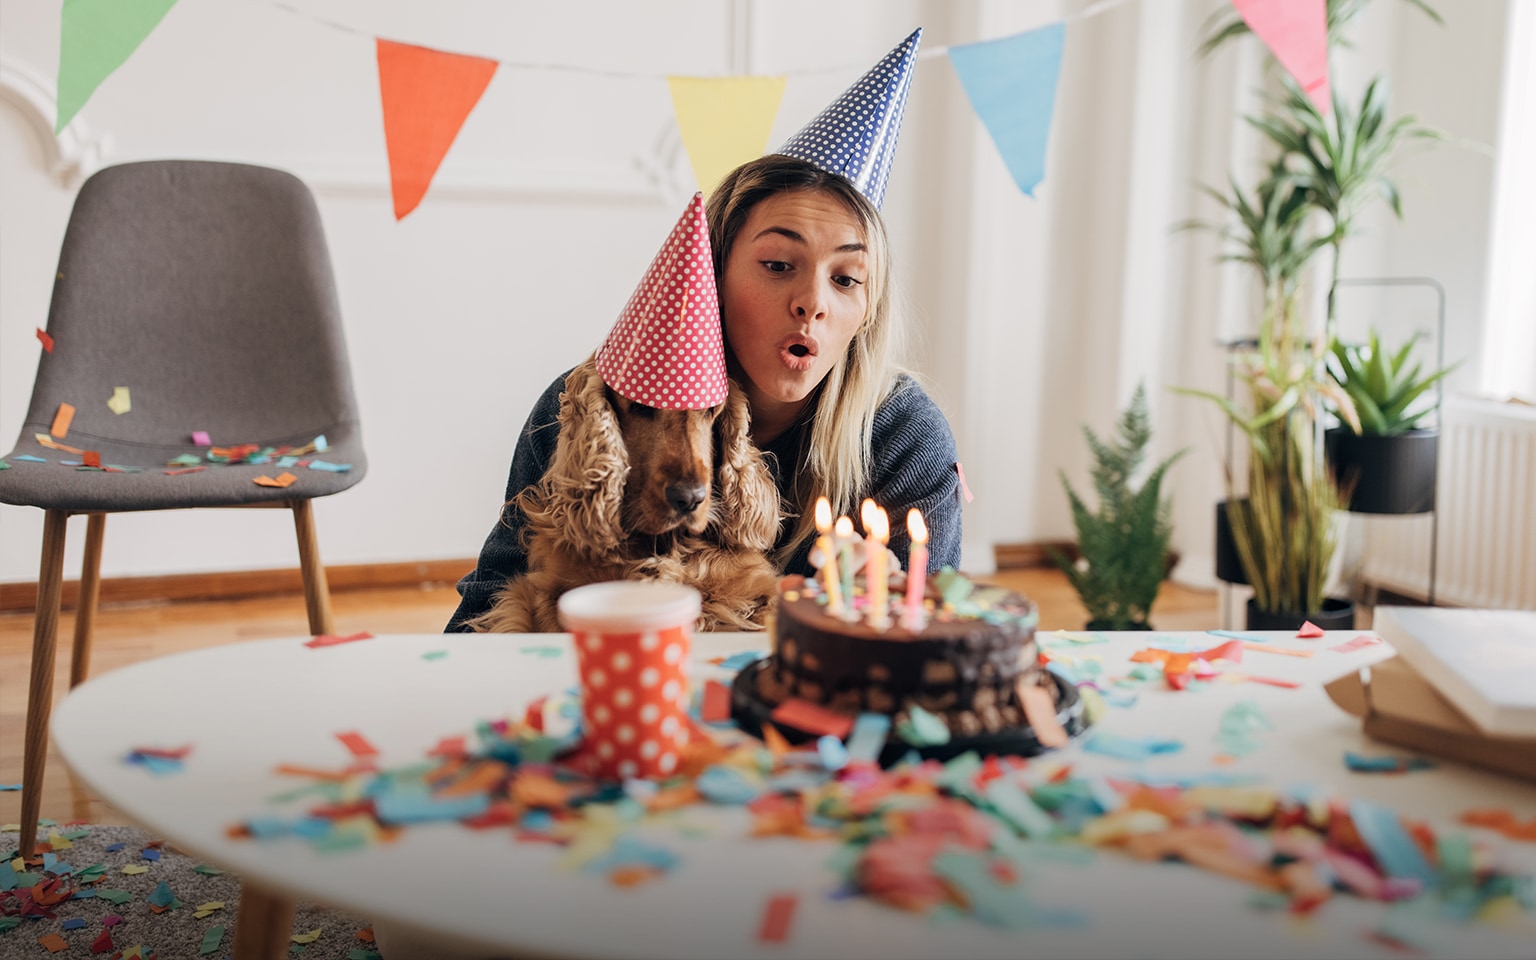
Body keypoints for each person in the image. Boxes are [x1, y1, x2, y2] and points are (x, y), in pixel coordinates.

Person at [447, 28, 957, 632]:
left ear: (870, 308)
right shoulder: (589, 401)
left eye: (846, 278)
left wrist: (899, 614)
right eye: (777, 265)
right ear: (714, 275)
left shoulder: (903, 437)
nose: (811, 304)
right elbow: (479, 621)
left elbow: (924, 655)